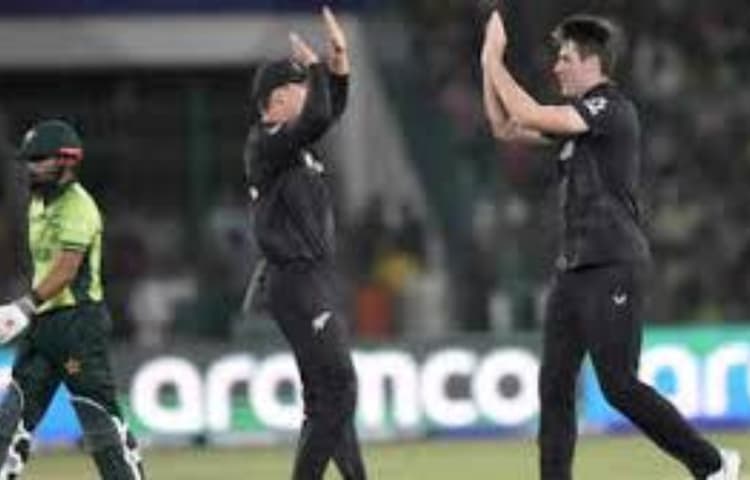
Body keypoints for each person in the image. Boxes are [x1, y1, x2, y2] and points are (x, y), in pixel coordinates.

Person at [480, 9, 741, 480]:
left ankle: (714, 464)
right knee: (554, 388)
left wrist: (497, 60)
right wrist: (486, 64)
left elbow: (528, 112)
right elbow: (505, 127)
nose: (556, 67)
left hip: (613, 262)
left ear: (591, 63)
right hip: (573, 268)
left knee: (618, 385)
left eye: (565, 58)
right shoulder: (577, 122)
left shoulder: (610, 108)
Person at [243, 6, 367, 480]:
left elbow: (328, 108)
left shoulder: (291, 144)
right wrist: (317, 65)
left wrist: (339, 58)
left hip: (310, 278)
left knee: (327, 397)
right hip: (296, 279)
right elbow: (319, 114)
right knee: (338, 389)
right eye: (301, 87)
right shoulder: (267, 141)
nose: (310, 95)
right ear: (277, 99)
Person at [0, 119, 145, 479]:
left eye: (39, 160)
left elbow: (66, 269)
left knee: (100, 425)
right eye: (28, 161)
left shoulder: (79, 206)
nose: (31, 168)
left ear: (66, 160)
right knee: (10, 421)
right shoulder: (37, 204)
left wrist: (23, 306)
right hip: (43, 324)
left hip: (77, 326)